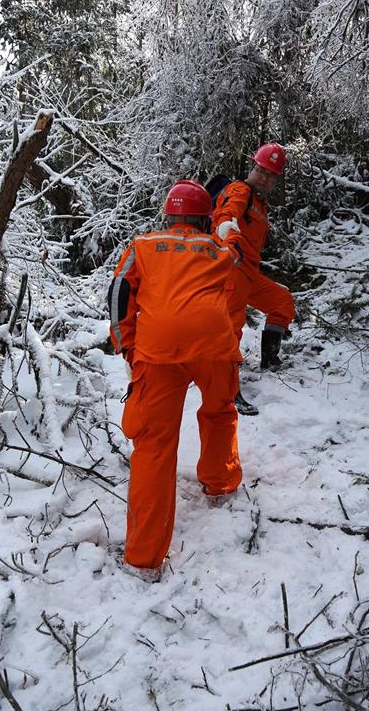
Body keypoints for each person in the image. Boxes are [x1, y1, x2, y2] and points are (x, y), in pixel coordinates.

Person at [108, 180, 243, 581]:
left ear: (168, 214)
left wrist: (128, 348)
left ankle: (144, 559)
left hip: (159, 350)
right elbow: (237, 256)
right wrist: (229, 228)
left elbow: (118, 293)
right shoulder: (218, 248)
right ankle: (220, 484)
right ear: (203, 218)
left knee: (153, 446)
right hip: (215, 345)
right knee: (220, 411)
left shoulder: (142, 246)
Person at [210, 142, 296, 416]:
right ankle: (227, 392)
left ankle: (270, 359)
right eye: (262, 171)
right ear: (253, 167)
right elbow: (226, 215)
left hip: (249, 274)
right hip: (232, 269)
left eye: (271, 175)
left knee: (281, 301)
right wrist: (226, 229)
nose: (265, 178)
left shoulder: (260, 202)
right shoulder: (240, 190)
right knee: (231, 328)